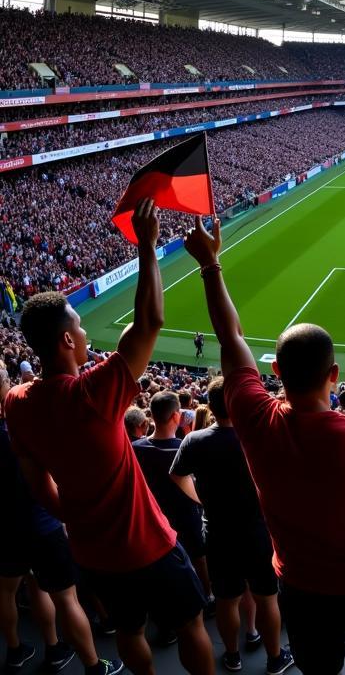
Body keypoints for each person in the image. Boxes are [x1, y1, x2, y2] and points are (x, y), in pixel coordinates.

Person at [183, 216, 345, 675]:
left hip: (300, 584)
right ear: (334, 376)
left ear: (278, 373)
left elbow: (232, 339)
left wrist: (211, 266)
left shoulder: (255, 418)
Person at [4, 200, 214, 675]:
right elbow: (150, 323)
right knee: (191, 623)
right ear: (66, 342)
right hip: (147, 542)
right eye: (78, 326)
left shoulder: (17, 401)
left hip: (90, 549)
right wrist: (146, 248)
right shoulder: (94, 391)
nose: (83, 331)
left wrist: (71, 513)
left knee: (128, 632)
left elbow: (35, 479)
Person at [0, 368, 122, 675]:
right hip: (42, 523)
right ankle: (93, 666)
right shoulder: (20, 425)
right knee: (66, 598)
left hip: (5, 527)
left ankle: (18, 650)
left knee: (11, 591)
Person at [169, 376, 293, 675]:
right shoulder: (258, 436)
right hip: (258, 530)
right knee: (267, 597)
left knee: (226, 599)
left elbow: (177, 475)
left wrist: (201, 499)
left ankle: (233, 655)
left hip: (218, 532)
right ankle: (275, 657)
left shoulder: (195, 440)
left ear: (209, 406)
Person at [132, 391, 210, 603]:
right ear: (176, 416)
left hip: (154, 516)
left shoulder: (135, 448)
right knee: (198, 556)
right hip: (186, 515)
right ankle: (207, 595)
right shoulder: (186, 449)